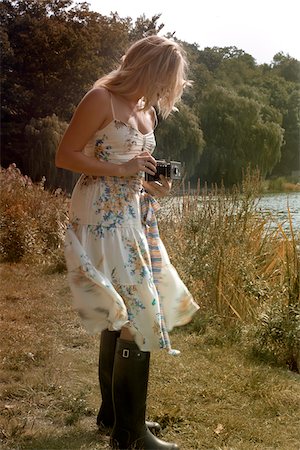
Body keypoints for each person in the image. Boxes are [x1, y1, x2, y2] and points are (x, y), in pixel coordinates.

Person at [56, 35, 199, 450]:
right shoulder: (100, 99)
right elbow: (65, 156)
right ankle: (130, 436)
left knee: (122, 312)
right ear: (150, 68)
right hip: (99, 215)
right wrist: (121, 170)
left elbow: (134, 168)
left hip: (133, 214)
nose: (169, 89)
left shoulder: (146, 112)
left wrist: (150, 187)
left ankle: (112, 416)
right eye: (168, 78)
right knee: (141, 315)